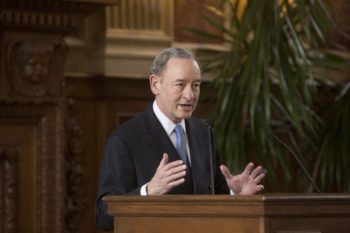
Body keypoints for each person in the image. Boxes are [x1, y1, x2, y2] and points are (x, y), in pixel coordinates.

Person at [95, 47, 266, 231]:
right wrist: (149, 191)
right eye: (180, 84)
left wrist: (234, 195)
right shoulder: (124, 139)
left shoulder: (203, 131)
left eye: (196, 85)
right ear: (155, 84)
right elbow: (103, 216)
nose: (190, 95)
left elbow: (210, 202)